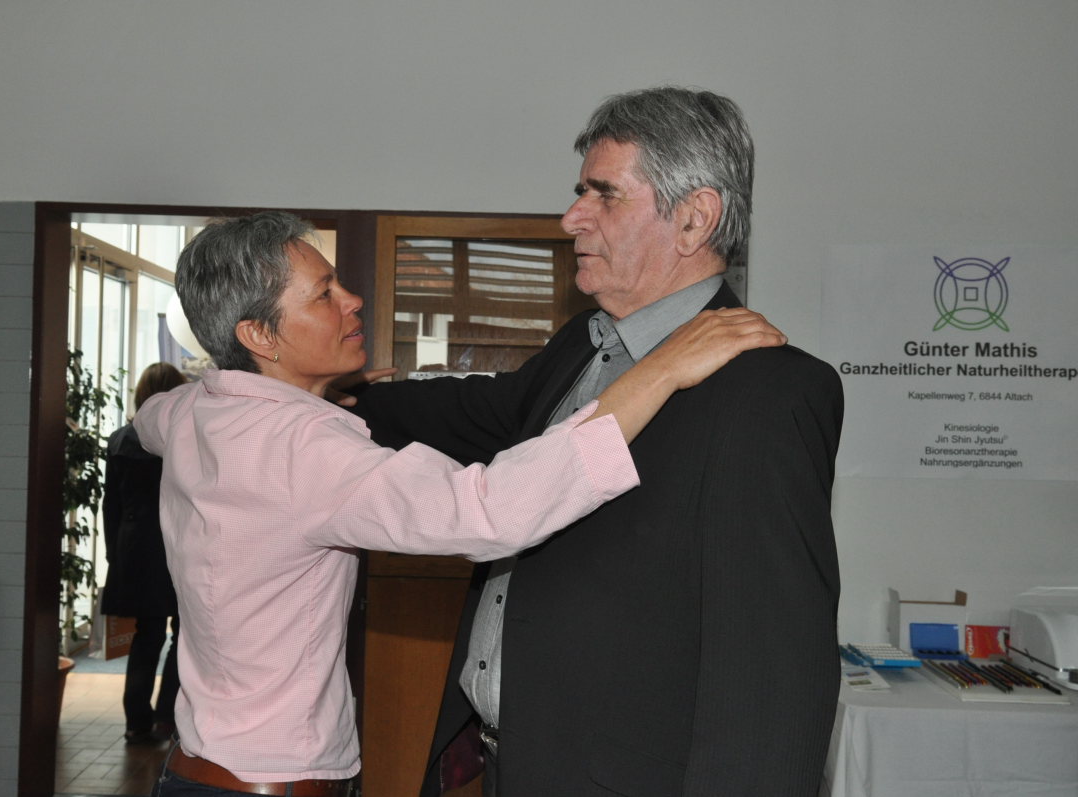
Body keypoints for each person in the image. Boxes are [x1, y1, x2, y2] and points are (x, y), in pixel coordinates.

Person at [132, 210, 785, 796]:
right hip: (274, 780)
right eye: (324, 294)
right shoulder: (305, 451)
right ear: (259, 335)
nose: (352, 300)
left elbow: (148, 418)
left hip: (194, 765)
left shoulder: (191, 412)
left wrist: (306, 392)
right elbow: (488, 511)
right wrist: (659, 371)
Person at [352, 86, 845, 796]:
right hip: (512, 766)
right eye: (580, 191)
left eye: (603, 194)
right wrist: (329, 397)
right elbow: (475, 412)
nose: (571, 217)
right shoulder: (582, 347)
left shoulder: (767, 392)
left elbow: (772, 673)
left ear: (694, 218)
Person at [101, 361, 188, 744]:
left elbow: (111, 506)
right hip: (176, 546)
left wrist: (114, 556)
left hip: (134, 547)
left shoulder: (120, 441)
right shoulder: (182, 440)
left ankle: (136, 721)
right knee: (184, 634)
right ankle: (168, 716)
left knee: (146, 634)